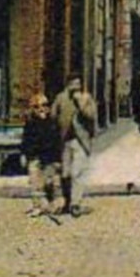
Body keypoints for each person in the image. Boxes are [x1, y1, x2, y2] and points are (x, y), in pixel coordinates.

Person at [51, 76, 96, 217]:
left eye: (78, 83)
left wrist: (81, 104)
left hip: (80, 140)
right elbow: (53, 115)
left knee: (78, 173)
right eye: (73, 84)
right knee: (65, 173)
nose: (76, 86)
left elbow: (92, 116)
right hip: (65, 140)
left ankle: (75, 204)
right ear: (67, 85)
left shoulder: (86, 98)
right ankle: (67, 201)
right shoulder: (60, 98)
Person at [20, 93, 61, 217]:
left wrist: (58, 159)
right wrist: (24, 154)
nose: (41, 109)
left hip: (49, 157)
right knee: (35, 184)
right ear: (33, 109)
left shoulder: (52, 122)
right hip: (34, 157)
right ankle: (37, 206)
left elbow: (57, 141)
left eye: (44, 105)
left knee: (50, 183)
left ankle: (52, 206)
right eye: (37, 107)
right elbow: (26, 140)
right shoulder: (30, 123)